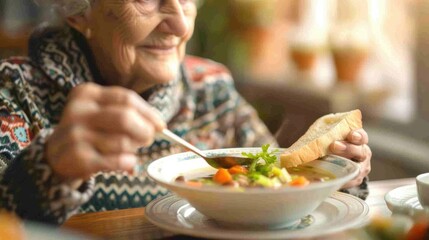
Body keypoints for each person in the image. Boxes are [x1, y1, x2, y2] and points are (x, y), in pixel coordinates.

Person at [0, 0, 371, 225]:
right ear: (80, 13)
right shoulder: (14, 90)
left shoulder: (209, 86)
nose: (180, 25)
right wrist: (46, 171)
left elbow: (281, 188)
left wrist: (338, 175)